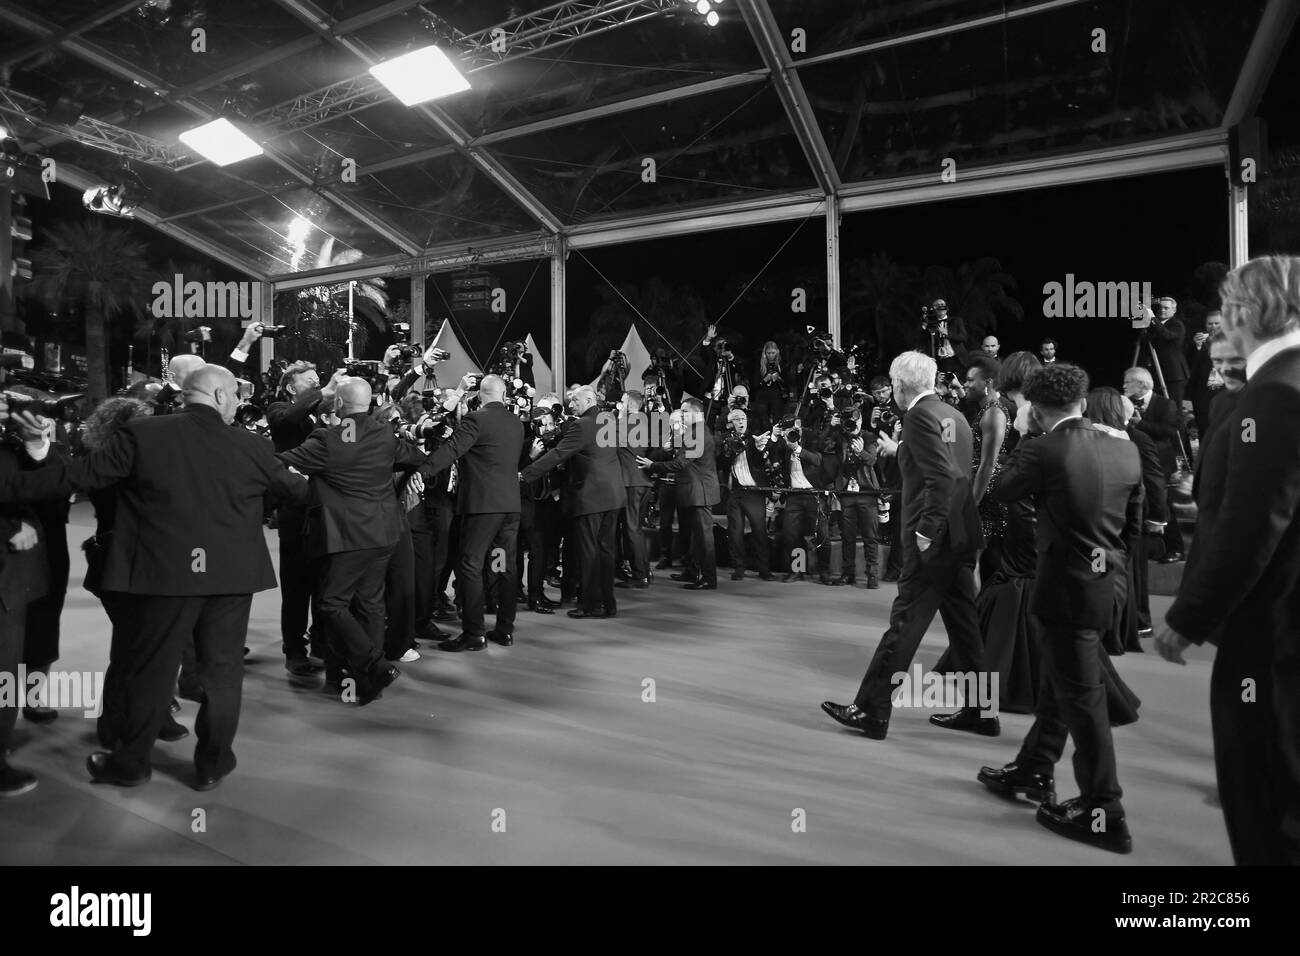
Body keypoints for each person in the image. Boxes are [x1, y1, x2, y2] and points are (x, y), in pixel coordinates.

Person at [0, 365, 308, 791]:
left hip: (163, 576)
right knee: (222, 673)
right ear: (218, 396)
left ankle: (130, 764)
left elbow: (75, 478)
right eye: (235, 394)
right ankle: (213, 763)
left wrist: (13, 485)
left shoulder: (144, 435)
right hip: (232, 577)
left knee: (152, 671)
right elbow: (297, 491)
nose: (239, 402)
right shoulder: (253, 445)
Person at [1155, 255, 1300, 865]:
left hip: (1269, 642)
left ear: (1244, 311)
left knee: (1264, 814)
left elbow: (1249, 530)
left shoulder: (1276, 395)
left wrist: (1186, 618)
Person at [977, 364, 1143, 854]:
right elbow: (1133, 529)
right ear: (1081, 401)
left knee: (1083, 699)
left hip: (1064, 591)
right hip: (1106, 587)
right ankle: (1033, 769)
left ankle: (1103, 809)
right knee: (1063, 684)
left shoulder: (1044, 447)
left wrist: (1028, 436)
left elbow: (1002, 491)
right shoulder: (1125, 448)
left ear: (1036, 407)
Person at [821, 351, 989, 741]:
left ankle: (871, 710)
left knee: (905, 624)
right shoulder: (953, 414)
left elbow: (942, 479)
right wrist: (902, 452)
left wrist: (926, 532)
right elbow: (952, 466)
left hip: (934, 538)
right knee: (965, 629)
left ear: (899, 385)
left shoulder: (915, 417)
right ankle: (983, 711)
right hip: (961, 533)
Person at [277, 378, 424, 697]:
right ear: (369, 404)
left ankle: (373, 665)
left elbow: (281, 463)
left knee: (332, 602)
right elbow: (416, 458)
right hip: (384, 533)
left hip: (347, 537)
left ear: (339, 405)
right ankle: (365, 682)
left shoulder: (327, 439)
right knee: (370, 603)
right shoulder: (385, 434)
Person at [422, 374, 527, 649]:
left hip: (483, 507)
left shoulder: (476, 420)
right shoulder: (515, 422)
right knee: (505, 566)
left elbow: (452, 450)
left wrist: (422, 472)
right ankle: (504, 629)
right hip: (510, 507)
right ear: (504, 394)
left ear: (480, 395)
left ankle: (473, 633)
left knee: (469, 564)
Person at [268, 361, 348, 676]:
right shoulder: (278, 410)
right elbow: (288, 418)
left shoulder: (325, 413)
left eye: (320, 381)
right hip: (296, 512)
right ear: (291, 387)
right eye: (310, 382)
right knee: (297, 586)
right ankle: (294, 650)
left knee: (325, 582)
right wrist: (323, 392)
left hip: (327, 510)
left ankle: (320, 643)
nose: (318, 386)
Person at [523, 385, 625, 619]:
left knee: (589, 552)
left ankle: (591, 605)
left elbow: (558, 454)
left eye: (575, 401)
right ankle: (608, 603)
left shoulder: (582, 425)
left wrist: (525, 474)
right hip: (613, 495)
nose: (570, 405)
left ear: (589, 399)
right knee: (606, 552)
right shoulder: (608, 420)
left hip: (591, 497)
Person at [0, 410, 51, 796]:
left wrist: (34, 442)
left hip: (16, 579)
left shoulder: (12, 437)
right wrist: (8, 528)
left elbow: (40, 481)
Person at [639, 398, 721, 589]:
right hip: (695, 490)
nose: (682, 416)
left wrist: (653, 465)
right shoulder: (697, 431)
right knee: (696, 537)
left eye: (684, 412)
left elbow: (680, 464)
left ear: (696, 413)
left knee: (704, 539)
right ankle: (693, 572)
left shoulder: (697, 434)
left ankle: (709, 578)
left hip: (699, 492)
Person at [1123, 367, 1184, 563]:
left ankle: (1175, 548)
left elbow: (1169, 431)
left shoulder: (1166, 404)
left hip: (1159, 463)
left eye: (1127, 382)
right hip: (1134, 460)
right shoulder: (1125, 403)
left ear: (1141, 384)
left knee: (1163, 504)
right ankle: (1148, 548)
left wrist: (1140, 424)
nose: (1123, 385)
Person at [964, 354, 1009, 584]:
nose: (966, 384)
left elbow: (988, 464)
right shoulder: (985, 411)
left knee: (973, 561)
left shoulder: (993, 413)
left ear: (988, 382)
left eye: (972, 380)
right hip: (982, 493)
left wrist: (972, 503)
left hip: (986, 498)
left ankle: (977, 616)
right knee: (973, 562)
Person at [717, 408, 773, 581]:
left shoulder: (754, 439)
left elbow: (760, 462)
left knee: (759, 532)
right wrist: (729, 451)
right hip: (736, 492)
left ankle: (764, 568)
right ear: (730, 423)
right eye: (736, 419)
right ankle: (738, 567)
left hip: (754, 493)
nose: (741, 421)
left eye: (743, 418)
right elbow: (721, 464)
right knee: (735, 532)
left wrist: (758, 448)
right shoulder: (725, 439)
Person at [1141, 296, 1190, 404]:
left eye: (1166, 308)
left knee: (1173, 407)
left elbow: (1166, 335)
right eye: (1160, 307)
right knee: (1159, 407)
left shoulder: (1177, 324)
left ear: (1174, 310)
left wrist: (1153, 318)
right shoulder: (1154, 325)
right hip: (1157, 373)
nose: (1162, 310)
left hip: (1174, 374)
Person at [754, 341, 785, 429]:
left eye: (773, 353)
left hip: (776, 396)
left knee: (777, 421)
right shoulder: (759, 365)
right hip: (762, 397)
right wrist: (765, 380)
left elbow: (788, 382)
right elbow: (755, 385)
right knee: (763, 422)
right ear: (765, 353)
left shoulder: (781, 364)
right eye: (768, 353)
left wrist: (778, 378)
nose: (771, 355)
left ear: (777, 352)